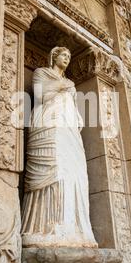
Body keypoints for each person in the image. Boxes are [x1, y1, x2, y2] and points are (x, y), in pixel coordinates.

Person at [21, 46, 97, 248]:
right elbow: (39, 96)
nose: (67, 58)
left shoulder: (71, 83)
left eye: (69, 56)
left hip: (68, 127)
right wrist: (61, 86)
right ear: (54, 56)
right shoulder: (41, 73)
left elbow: (72, 105)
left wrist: (77, 118)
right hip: (48, 123)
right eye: (64, 55)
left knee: (74, 172)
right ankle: (46, 226)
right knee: (55, 166)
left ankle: (72, 227)